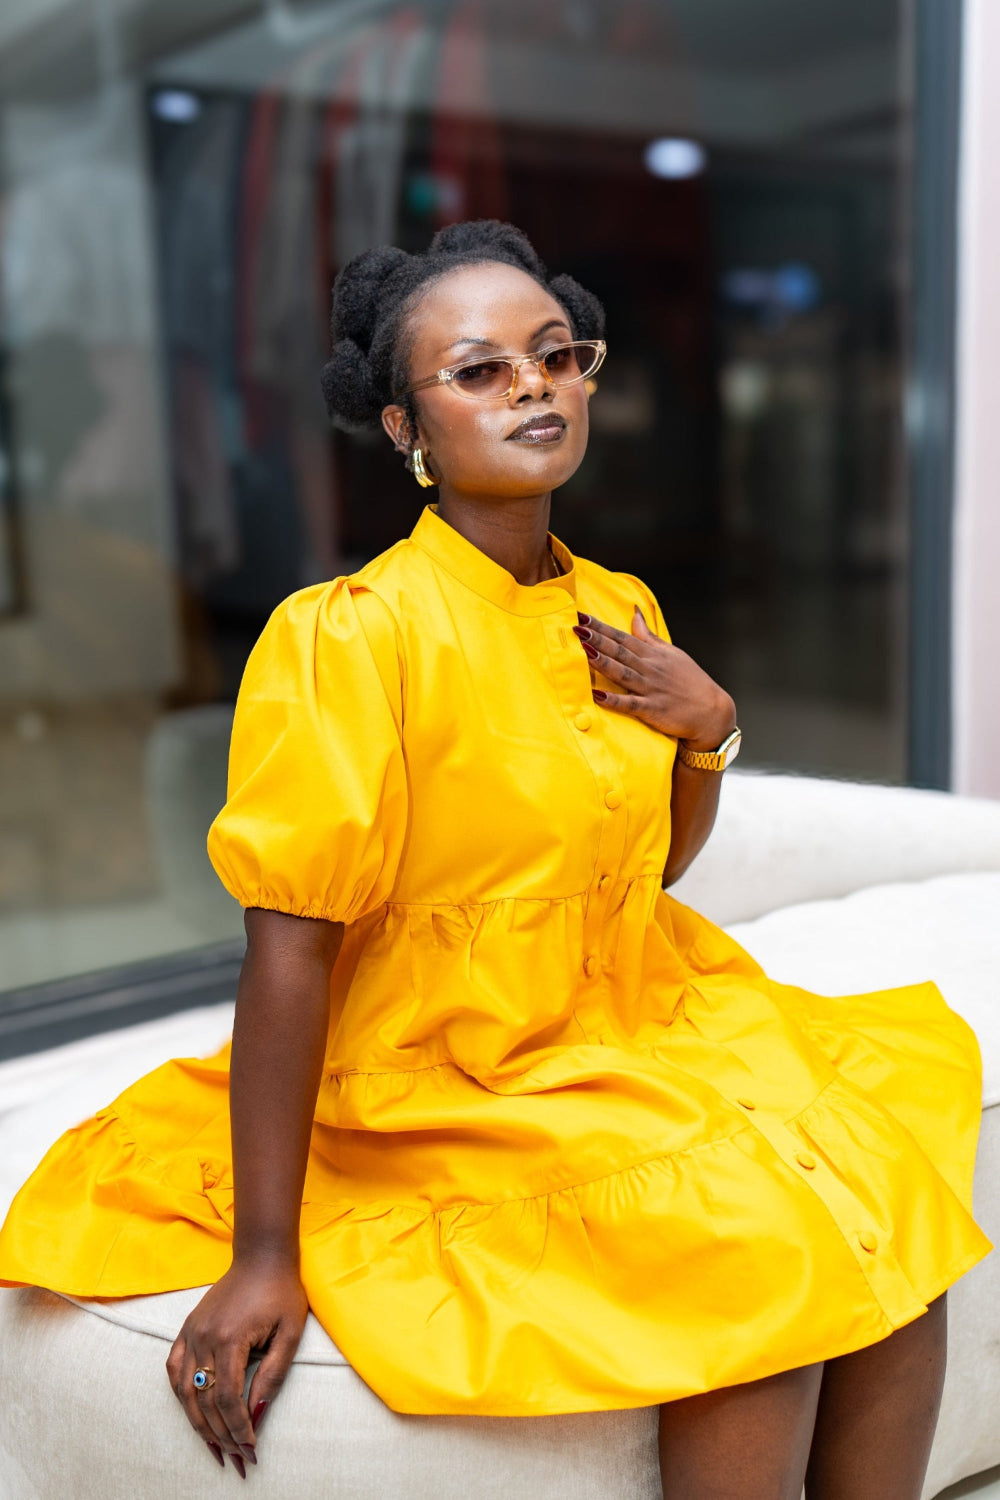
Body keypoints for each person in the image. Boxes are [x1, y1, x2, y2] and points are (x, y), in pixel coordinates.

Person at [0, 219, 992, 1498]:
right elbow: (288, 948)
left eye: (554, 355)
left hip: (628, 1010)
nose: (533, 384)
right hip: (447, 1058)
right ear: (405, 431)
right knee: (765, 1269)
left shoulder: (622, 607)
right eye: (479, 370)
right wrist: (262, 1251)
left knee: (895, 1237)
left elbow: (650, 871)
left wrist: (708, 734)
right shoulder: (352, 636)